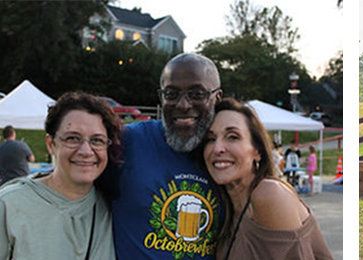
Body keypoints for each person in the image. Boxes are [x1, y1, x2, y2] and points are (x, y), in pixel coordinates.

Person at [108, 53, 224, 259]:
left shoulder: (227, 157)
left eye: (197, 94)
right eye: (171, 94)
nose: (183, 104)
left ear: (217, 98)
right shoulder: (129, 141)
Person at [200, 98, 332, 259]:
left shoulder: (269, 194)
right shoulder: (227, 211)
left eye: (233, 137)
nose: (217, 148)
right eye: (210, 139)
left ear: (257, 151)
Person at [0, 92, 121, 259]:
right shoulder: (8, 205)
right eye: (72, 138)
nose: (86, 151)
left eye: (97, 140)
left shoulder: (114, 209)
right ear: (51, 144)